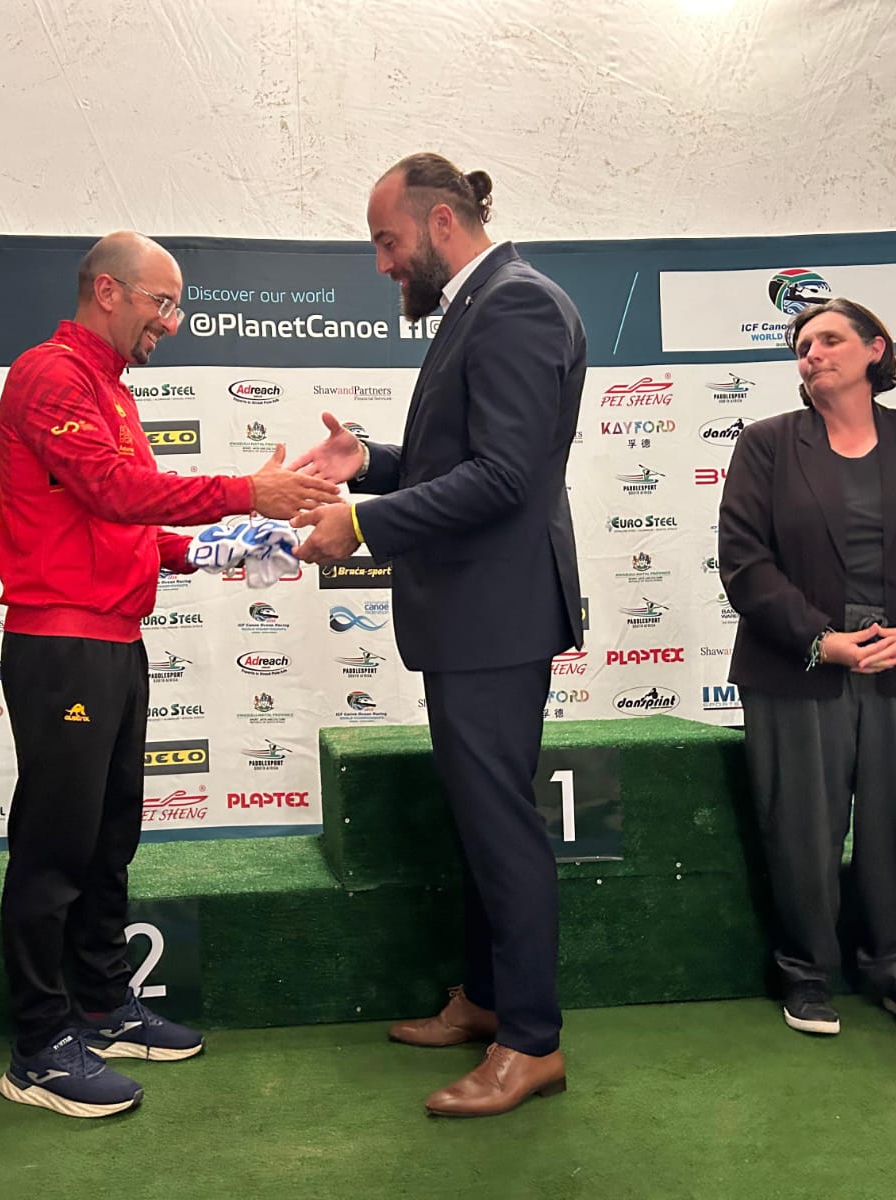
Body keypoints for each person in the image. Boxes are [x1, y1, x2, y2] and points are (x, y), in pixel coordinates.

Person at [0, 231, 340, 1118]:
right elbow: (112, 491)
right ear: (108, 291)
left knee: (109, 841)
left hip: (114, 641)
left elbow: (128, 527)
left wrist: (229, 545)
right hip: (63, 644)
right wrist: (242, 494)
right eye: (162, 302)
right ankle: (37, 1050)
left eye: (177, 305)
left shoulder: (110, 388)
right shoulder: (49, 374)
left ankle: (102, 1007)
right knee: (54, 852)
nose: (173, 322)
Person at [293, 153, 585, 1117]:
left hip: (494, 616)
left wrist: (362, 523)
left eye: (388, 242)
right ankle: (490, 1000)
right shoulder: (482, 303)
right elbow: (461, 455)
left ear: (441, 223)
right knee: (480, 822)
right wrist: (371, 462)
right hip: (474, 615)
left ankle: (531, 1043)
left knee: (501, 828)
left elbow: (504, 478)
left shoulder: (516, 303)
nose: (383, 264)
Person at [717, 297, 896, 1043]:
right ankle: (806, 974)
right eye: (802, 345)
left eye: (829, 339)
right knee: (800, 830)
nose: (811, 353)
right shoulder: (767, 445)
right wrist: (822, 640)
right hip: (800, 670)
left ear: (876, 349)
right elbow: (744, 562)